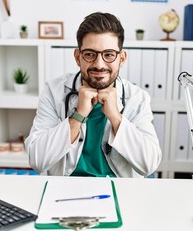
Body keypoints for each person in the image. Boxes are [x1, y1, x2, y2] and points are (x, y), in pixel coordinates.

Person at [25, 12, 162, 177]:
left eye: (109, 55)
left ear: (122, 58)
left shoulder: (137, 98)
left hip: (119, 191)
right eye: (90, 54)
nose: (99, 64)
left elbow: (149, 164)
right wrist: (78, 116)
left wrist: (116, 118)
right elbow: (37, 160)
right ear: (78, 57)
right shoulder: (54, 92)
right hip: (64, 191)